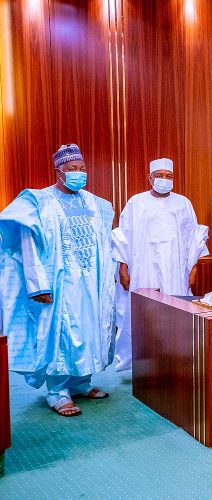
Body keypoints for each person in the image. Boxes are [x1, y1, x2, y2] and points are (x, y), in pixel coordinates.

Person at [0, 144, 116, 417]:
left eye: (82, 169)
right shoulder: (38, 202)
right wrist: (36, 284)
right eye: (72, 169)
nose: (78, 173)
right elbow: (25, 244)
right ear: (59, 172)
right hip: (57, 284)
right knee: (61, 336)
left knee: (89, 330)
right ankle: (58, 392)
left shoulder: (95, 203)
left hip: (90, 283)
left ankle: (81, 383)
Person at [112, 158, 208, 371]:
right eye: (160, 176)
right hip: (144, 266)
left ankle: (174, 360)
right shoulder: (136, 202)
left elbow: (193, 238)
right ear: (150, 178)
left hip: (174, 268)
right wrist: (123, 266)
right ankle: (145, 363)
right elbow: (124, 236)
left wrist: (193, 268)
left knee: (174, 313)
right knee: (146, 313)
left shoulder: (183, 203)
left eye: (169, 176)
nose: (164, 180)